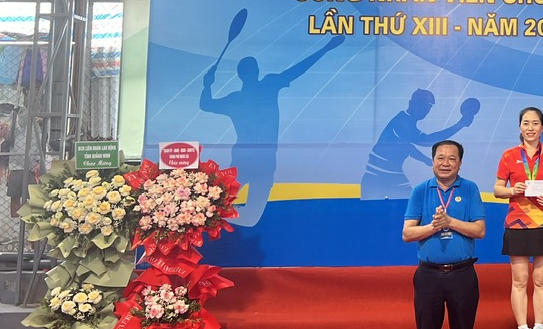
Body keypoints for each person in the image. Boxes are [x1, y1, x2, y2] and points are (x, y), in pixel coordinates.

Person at [200, 31, 343, 226]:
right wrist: (326, 48)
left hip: (253, 156)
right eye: (252, 69)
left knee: (239, 212)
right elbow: (296, 71)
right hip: (258, 157)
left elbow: (206, 104)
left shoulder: (238, 97)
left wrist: (207, 85)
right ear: (255, 71)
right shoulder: (267, 85)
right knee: (236, 211)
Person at [402, 140, 486, 329]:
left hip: (463, 275)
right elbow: (407, 233)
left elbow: (479, 229)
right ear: (432, 161)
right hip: (428, 276)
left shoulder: (470, 189)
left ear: (460, 163)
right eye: (440, 157)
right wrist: (433, 227)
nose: (445, 163)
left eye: (452, 158)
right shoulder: (420, 191)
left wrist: (449, 222)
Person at [493, 106, 543, 329]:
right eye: (526, 123)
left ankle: (539, 328)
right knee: (520, 279)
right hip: (517, 224)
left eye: (535, 123)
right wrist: (512, 190)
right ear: (520, 127)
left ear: (542, 127)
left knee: (541, 279)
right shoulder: (509, 155)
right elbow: (497, 189)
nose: (530, 128)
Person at [361, 89, 479, 199]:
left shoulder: (406, 121)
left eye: (428, 107)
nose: (425, 110)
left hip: (392, 175)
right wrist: (460, 124)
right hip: (377, 176)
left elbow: (408, 148)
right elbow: (426, 140)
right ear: (411, 103)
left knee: (409, 205)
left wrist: (425, 160)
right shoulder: (403, 122)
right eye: (422, 105)